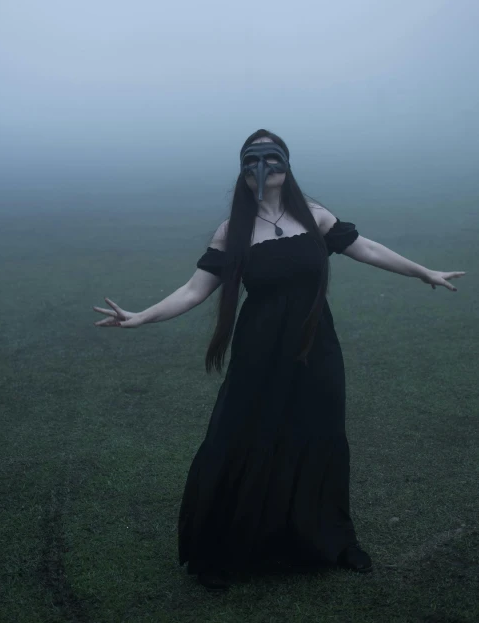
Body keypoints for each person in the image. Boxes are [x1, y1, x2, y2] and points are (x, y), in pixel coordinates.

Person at [93, 128, 466, 591]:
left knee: (321, 434)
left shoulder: (314, 215)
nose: (261, 168)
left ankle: (331, 540)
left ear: (286, 165)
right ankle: (222, 551)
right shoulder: (233, 231)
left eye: (270, 159)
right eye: (251, 161)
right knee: (243, 436)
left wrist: (421, 271)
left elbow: (365, 247)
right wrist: (141, 317)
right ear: (243, 169)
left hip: (316, 347)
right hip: (259, 351)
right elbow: (194, 290)